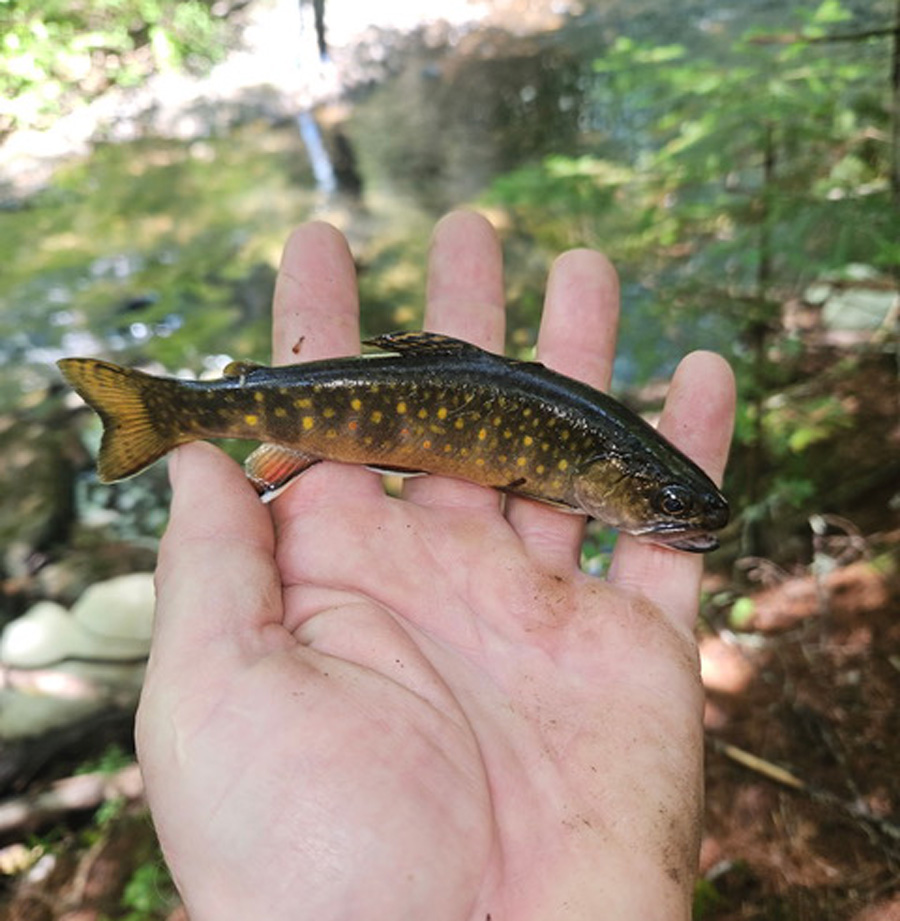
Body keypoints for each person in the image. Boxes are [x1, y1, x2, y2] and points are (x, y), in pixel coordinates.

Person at [135, 211, 735, 920]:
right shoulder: (585, 447)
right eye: (668, 502)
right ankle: (157, 412)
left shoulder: (594, 446)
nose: (677, 515)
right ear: (608, 472)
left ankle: (161, 410)